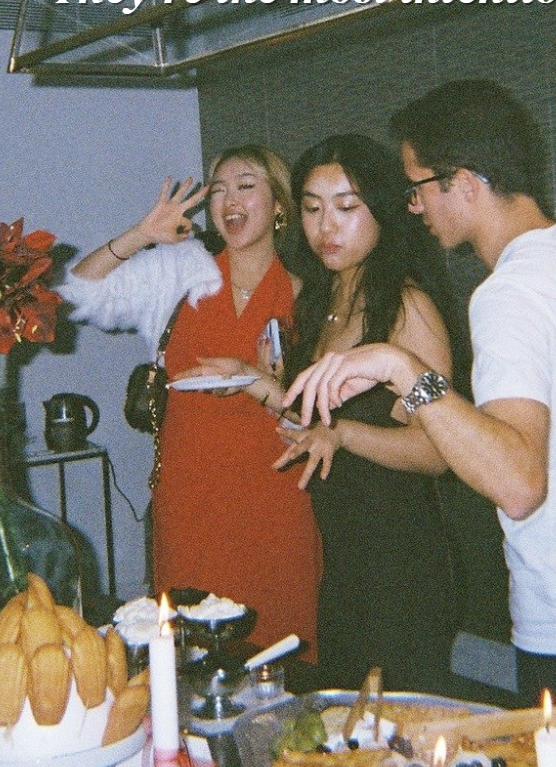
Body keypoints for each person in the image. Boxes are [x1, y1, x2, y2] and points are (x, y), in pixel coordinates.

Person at [282, 81, 556, 714]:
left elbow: (517, 485)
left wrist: (402, 367)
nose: (414, 206)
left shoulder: (509, 294)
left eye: (417, 187)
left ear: (463, 183)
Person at [177, 135, 459, 693]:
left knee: (395, 723)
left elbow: (438, 451)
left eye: (346, 207)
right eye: (312, 209)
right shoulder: (324, 301)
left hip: (398, 559)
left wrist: (346, 433)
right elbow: (313, 426)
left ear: (381, 211)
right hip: (339, 554)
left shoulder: (407, 308)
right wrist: (257, 382)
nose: (326, 227)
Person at [59, 145, 320, 655]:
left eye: (246, 186)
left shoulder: (309, 295)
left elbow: (318, 416)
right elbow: (79, 293)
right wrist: (141, 235)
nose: (229, 200)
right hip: (190, 501)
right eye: (218, 190)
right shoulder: (179, 272)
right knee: (189, 648)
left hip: (278, 504)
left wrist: (263, 383)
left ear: (279, 205)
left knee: (278, 652)